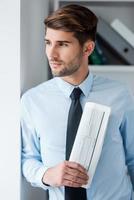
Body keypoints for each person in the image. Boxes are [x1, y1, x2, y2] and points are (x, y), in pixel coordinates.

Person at [21, 4, 134, 200]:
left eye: (63, 44)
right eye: (48, 42)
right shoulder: (32, 100)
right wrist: (48, 175)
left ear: (88, 48)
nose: (51, 54)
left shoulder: (119, 95)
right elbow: (27, 158)